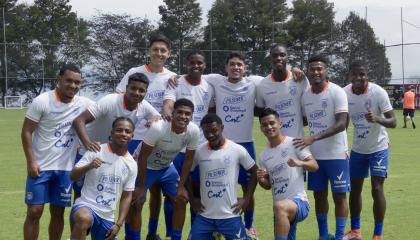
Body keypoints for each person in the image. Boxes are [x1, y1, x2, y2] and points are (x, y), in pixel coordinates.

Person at [21, 64, 93, 240]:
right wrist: (30, 162)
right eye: (69, 80)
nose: (73, 86)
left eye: (77, 82)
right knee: (34, 211)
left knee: (58, 212)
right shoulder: (42, 101)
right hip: (41, 166)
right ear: (58, 79)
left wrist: (151, 116)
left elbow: (109, 107)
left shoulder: (84, 103)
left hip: (65, 169)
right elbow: (26, 131)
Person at [117, 34, 177, 239]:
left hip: (159, 140)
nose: (159, 53)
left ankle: (152, 233)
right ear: (149, 51)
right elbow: (120, 97)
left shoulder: (171, 77)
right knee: (134, 194)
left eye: (163, 50)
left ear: (169, 54)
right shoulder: (134, 72)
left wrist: (160, 116)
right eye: (155, 49)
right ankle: (130, 236)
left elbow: (169, 102)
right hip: (133, 139)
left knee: (157, 190)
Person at [294, 55, 350, 240]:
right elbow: (302, 120)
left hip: (336, 154)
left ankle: (340, 236)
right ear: (308, 71)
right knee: (319, 196)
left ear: (326, 71)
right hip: (315, 155)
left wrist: (314, 137)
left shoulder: (336, 92)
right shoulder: (306, 95)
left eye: (320, 68)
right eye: (312, 69)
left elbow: (342, 123)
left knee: (340, 196)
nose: (316, 72)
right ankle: (323, 235)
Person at [129, 98, 200, 240]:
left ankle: (175, 237)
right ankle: (134, 237)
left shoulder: (193, 130)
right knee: (137, 201)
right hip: (144, 166)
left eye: (187, 114)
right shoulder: (159, 128)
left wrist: (181, 186)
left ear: (192, 116)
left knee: (182, 198)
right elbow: (142, 157)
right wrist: (141, 187)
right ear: (172, 114)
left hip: (166, 168)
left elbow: (188, 160)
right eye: (179, 112)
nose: (183, 117)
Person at [162, 50, 214, 234]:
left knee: (197, 194)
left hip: (199, 149)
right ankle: (172, 234)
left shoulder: (209, 85)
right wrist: (168, 113)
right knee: (173, 195)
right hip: (177, 149)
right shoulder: (176, 82)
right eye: (192, 62)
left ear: (204, 65)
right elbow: (168, 103)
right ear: (187, 64)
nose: (196, 66)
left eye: (199, 63)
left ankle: (196, 233)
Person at [343, 61, 396, 240]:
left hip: (378, 148)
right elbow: (344, 122)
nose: (359, 78)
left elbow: (393, 121)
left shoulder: (378, 92)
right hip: (358, 149)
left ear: (367, 76)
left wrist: (377, 119)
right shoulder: (344, 93)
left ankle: (377, 235)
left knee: (376, 188)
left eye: (363, 74)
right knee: (355, 189)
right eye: (356, 74)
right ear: (350, 76)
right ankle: (355, 231)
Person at [189, 113, 257, 240]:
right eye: (206, 132)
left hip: (230, 216)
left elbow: (254, 171)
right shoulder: (199, 151)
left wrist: (247, 199)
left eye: (214, 130)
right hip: (205, 217)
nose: (210, 135)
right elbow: (187, 173)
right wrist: (192, 200)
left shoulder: (237, 149)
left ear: (222, 127)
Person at [70, 117, 137, 240]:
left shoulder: (131, 164)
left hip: (107, 217)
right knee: (84, 218)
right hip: (85, 206)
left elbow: (127, 196)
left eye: (127, 131)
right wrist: (89, 166)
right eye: (119, 130)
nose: (123, 134)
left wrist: (118, 224)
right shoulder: (96, 150)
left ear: (132, 136)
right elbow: (73, 175)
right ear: (112, 133)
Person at [257, 108, 318, 240]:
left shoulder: (294, 143)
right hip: (280, 211)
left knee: (279, 207)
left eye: (272, 123)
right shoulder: (263, 155)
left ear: (280, 123)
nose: (269, 127)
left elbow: (314, 165)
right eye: (264, 124)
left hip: (298, 202)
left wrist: (299, 163)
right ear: (261, 128)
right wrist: (261, 179)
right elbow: (268, 185)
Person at [255, 44, 310, 138]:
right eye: (275, 55)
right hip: (275, 144)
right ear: (270, 59)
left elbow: (309, 108)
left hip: (297, 143)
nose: (278, 58)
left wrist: (297, 124)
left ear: (287, 58)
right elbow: (260, 112)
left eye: (282, 55)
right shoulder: (262, 85)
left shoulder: (300, 79)